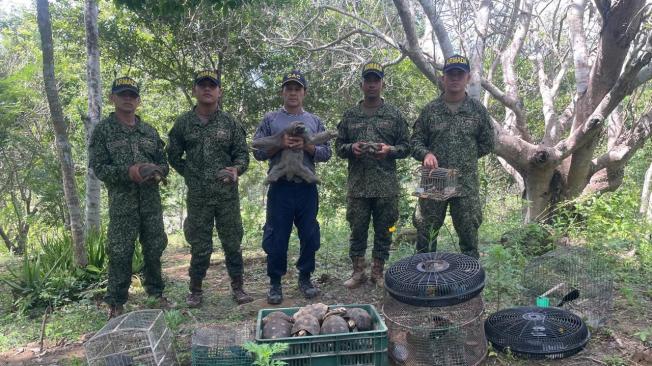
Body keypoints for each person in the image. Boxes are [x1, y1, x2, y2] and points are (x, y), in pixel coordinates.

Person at [166, 70, 253, 307]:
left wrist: (236, 170)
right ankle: (195, 290)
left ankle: (238, 288)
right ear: (195, 90)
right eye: (202, 85)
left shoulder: (230, 123)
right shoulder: (184, 123)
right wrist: (192, 175)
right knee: (200, 245)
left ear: (219, 92)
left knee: (232, 242)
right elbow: (173, 155)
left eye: (211, 86)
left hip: (227, 196)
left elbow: (242, 155)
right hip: (198, 198)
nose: (207, 89)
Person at [89, 77, 172, 318]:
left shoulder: (149, 131)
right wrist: (128, 173)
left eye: (132, 95)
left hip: (150, 202)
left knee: (155, 247)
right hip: (122, 204)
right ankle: (116, 302)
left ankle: (156, 293)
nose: (128, 98)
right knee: (120, 251)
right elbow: (99, 167)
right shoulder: (104, 131)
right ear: (112, 98)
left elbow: (164, 163)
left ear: (138, 100)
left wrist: (157, 172)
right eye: (123, 94)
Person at [253, 70, 332, 304]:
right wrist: (279, 143)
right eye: (289, 88)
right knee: (277, 236)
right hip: (280, 187)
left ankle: (305, 278)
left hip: (306, 187)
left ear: (304, 93)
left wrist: (308, 147)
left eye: (297, 88)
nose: (293, 92)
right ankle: (275, 283)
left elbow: (326, 152)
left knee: (309, 233)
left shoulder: (315, 121)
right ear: (282, 92)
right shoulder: (270, 120)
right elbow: (257, 151)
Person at [411, 54, 495, 259]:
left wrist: (465, 158)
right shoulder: (431, 110)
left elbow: (488, 143)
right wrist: (426, 153)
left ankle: (469, 285)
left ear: (467, 78)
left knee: (468, 234)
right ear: (443, 79)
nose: (455, 78)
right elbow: (415, 142)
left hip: (465, 180)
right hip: (435, 178)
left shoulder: (477, 111)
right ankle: (423, 281)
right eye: (450, 74)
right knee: (426, 234)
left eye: (460, 74)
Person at [335, 62, 410, 289]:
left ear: (382, 84)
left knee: (385, 229)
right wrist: (352, 149)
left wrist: (390, 150)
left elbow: (406, 147)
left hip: (385, 187)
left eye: (376, 80)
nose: (372, 85)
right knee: (357, 230)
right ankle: (358, 272)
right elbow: (338, 147)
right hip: (358, 186)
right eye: (368, 80)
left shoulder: (394, 115)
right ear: (362, 84)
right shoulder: (350, 115)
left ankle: (378, 271)